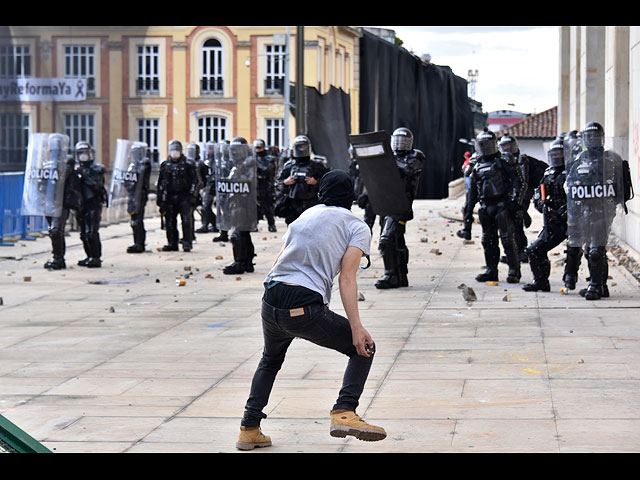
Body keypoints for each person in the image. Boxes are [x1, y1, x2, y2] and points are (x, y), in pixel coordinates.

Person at [236, 169, 386, 450]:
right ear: (351, 196)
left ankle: (249, 428)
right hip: (302, 303)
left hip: (271, 296)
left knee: (270, 360)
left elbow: (282, 256)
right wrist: (357, 327)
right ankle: (344, 412)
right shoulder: (356, 226)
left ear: (321, 194)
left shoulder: (306, 215)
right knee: (363, 348)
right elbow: (347, 277)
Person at [565, 122, 632, 300]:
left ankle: (595, 286)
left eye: (596, 136)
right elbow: (570, 184)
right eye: (590, 136)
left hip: (603, 210)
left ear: (601, 137)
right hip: (584, 210)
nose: (593, 139)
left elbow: (619, 188)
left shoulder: (611, 159)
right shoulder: (579, 159)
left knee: (595, 250)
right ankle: (601, 285)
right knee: (592, 250)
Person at [467, 128, 522, 283]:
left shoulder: (504, 160)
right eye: (481, 144)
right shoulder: (477, 164)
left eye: (487, 144)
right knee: (487, 240)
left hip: (502, 204)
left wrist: (515, 203)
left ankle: (514, 270)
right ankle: (491, 270)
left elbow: (519, 181)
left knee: (507, 239)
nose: (484, 147)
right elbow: (472, 192)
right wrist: (468, 212)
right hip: (485, 206)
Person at [375, 127, 424, 289]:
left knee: (386, 240)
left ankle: (391, 275)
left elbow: (406, 169)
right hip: (385, 204)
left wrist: (385, 161)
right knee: (397, 240)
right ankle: (401, 275)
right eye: (397, 141)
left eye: (403, 141)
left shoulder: (415, 156)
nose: (400, 144)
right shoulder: (389, 157)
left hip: (401, 205)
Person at [522, 140, 568, 292]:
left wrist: (561, 213)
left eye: (559, 154)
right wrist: (542, 205)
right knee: (534, 250)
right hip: (552, 221)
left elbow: (577, 199)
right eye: (554, 155)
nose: (556, 157)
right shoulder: (548, 173)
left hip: (570, 222)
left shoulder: (572, 173)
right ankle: (541, 281)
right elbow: (538, 194)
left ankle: (597, 284)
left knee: (591, 253)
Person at [274, 135, 329, 225]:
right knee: (293, 226)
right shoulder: (289, 166)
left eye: (303, 147)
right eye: (299, 147)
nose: (301, 149)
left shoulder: (317, 165)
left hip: (311, 202)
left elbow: (327, 183)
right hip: (293, 202)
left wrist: (316, 182)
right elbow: (277, 183)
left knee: (312, 226)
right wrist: (285, 182)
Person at [157, 140, 198, 252]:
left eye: (176, 149)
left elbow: (195, 181)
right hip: (170, 197)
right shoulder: (165, 165)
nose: (175, 152)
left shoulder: (188, 164)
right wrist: (160, 198)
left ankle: (187, 243)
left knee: (186, 221)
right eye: (172, 150)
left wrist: (192, 195)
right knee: (169, 221)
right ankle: (172, 243)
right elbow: (160, 183)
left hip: (184, 196)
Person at [75, 141, 107, 268]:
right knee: (83, 234)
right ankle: (89, 255)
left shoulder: (97, 169)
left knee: (91, 232)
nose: (83, 155)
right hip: (81, 204)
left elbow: (96, 184)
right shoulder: (76, 170)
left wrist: (83, 174)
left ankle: (96, 257)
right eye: (81, 153)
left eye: (85, 153)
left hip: (94, 203)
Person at [124, 142, 152, 253]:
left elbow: (139, 175)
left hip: (140, 195)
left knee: (137, 220)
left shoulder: (144, 163)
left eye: (136, 152)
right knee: (133, 220)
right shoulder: (132, 166)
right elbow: (127, 180)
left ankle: (140, 243)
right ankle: (137, 242)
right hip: (131, 194)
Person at [254, 139, 278, 232]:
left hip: (266, 185)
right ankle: (254, 224)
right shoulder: (252, 158)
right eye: (256, 148)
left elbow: (268, 170)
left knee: (267, 206)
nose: (257, 150)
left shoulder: (270, 158)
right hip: (255, 185)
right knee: (254, 206)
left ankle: (271, 224)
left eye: (259, 148)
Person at [195, 141, 219, 234]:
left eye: (212, 148)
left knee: (208, 206)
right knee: (205, 206)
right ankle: (211, 224)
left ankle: (209, 225)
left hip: (215, 185)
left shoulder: (217, 160)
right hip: (207, 186)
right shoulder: (206, 160)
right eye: (209, 148)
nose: (210, 150)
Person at [457, 152, 477, 241]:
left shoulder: (498, 159)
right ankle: (467, 231)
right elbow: (467, 172)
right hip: (476, 186)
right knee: (467, 209)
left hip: (491, 188)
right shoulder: (475, 158)